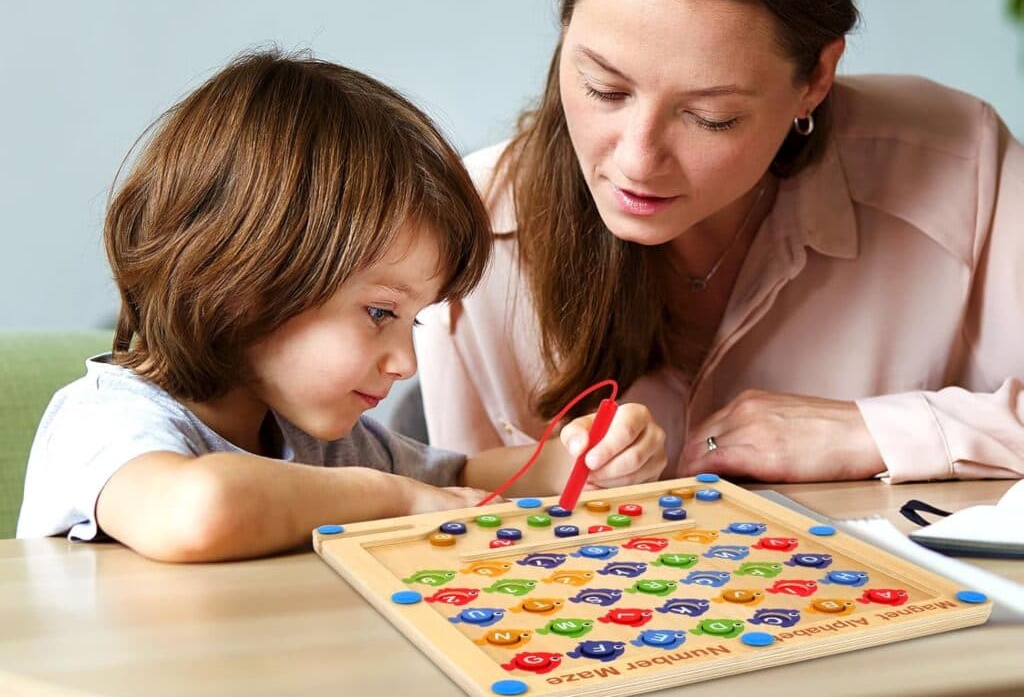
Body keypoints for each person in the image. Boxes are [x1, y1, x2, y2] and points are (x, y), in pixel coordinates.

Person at [414, 0, 1024, 485]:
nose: (639, 160)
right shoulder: (473, 229)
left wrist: (872, 431)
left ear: (816, 77)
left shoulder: (960, 165)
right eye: (604, 89)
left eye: (710, 116)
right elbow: (458, 534)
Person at [16, 51, 666, 561]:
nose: (406, 362)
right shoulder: (105, 422)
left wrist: (568, 459)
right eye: (381, 314)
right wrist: (390, 498)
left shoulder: (310, 434)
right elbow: (201, 511)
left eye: (413, 321)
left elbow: (461, 475)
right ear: (248, 283)